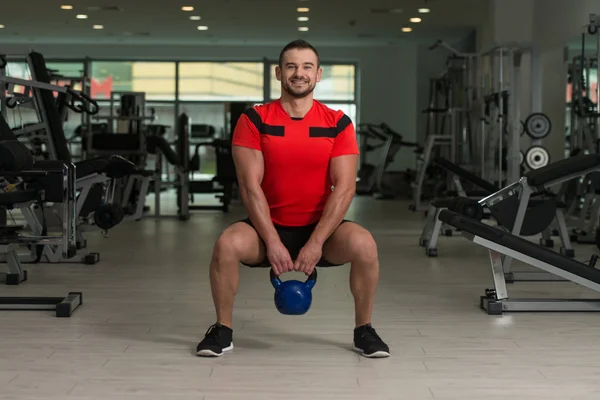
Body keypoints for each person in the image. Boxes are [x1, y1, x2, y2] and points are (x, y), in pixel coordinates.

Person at [196, 39, 390, 359]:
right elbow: (249, 187)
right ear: (278, 73)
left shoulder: (337, 122)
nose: (299, 73)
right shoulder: (255, 120)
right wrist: (272, 241)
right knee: (226, 244)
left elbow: (344, 189)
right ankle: (222, 330)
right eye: (291, 66)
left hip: (322, 231)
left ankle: (364, 330)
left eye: (307, 67)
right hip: (266, 228)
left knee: (365, 244)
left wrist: (316, 242)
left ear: (318, 74)